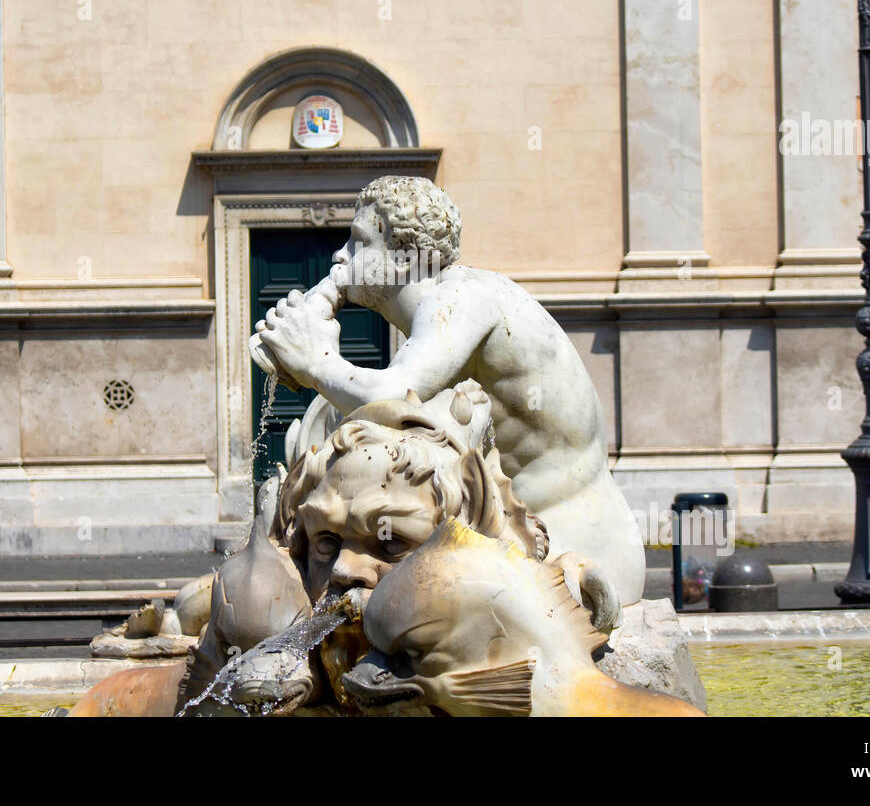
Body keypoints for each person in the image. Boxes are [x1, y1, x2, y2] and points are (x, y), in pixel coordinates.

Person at [256, 175, 645, 605]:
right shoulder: (439, 321)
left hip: (572, 545)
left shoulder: (460, 300)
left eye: (359, 242)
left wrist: (315, 362)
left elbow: (389, 397)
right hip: (515, 534)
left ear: (405, 258)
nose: (340, 255)